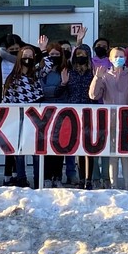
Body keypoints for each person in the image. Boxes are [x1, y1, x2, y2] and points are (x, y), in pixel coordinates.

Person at [89, 47, 128, 189]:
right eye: (116, 56)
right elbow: (93, 95)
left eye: (122, 56)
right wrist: (97, 78)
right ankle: (114, 186)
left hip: (127, 119)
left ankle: (127, 186)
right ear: (110, 59)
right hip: (111, 119)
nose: (119, 59)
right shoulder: (106, 75)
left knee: (126, 154)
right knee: (113, 154)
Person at [3, 44, 46, 188]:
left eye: (30, 56)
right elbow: (6, 100)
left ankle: (38, 179)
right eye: (25, 56)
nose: (27, 59)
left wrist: (42, 51)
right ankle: (21, 178)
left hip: (36, 119)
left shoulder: (36, 74)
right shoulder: (13, 79)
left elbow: (48, 64)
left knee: (36, 151)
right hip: (19, 119)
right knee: (20, 151)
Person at [65, 42, 98, 189]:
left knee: (89, 147)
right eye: (78, 55)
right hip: (73, 112)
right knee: (78, 146)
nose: (81, 57)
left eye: (84, 55)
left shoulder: (93, 72)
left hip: (90, 111)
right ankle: (80, 178)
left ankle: (89, 178)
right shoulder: (69, 71)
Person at [38, 38, 70, 187]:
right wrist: (59, 88)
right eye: (51, 54)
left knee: (60, 145)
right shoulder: (41, 69)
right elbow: (43, 90)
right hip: (45, 111)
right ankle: (45, 176)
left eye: (57, 54)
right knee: (46, 145)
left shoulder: (64, 69)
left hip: (61, 111)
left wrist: (63, 85)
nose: (54, 56)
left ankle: (57, 176)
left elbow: (66, 90)